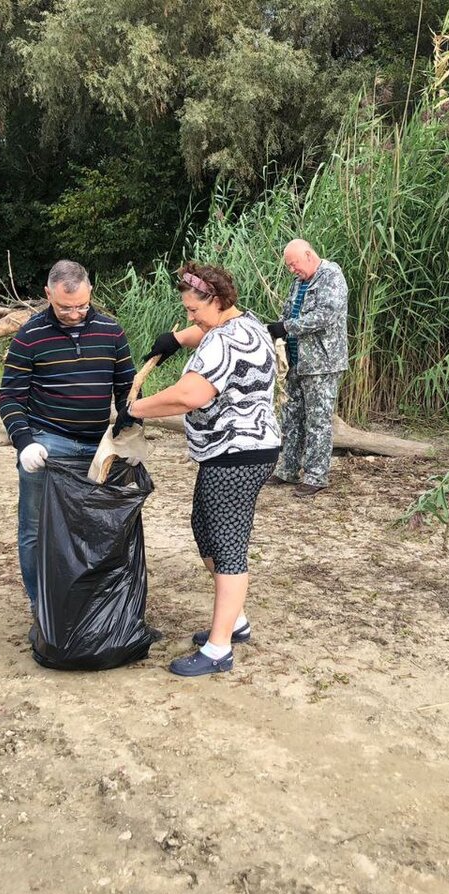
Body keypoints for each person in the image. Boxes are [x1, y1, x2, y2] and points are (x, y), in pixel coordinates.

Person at [126, 263, 280, 677]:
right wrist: (175, 339)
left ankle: (219, 649)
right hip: (231, 452)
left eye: (193, 309)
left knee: (227, 545)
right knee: (205, 528)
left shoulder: (224, 342)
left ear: (214, 300)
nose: (190, 316)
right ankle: (237, 621)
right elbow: (205, 331)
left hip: (239, 453)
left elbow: (190, 395)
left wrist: (134, 410)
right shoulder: (246, 322)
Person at [0, 260, 136, 615]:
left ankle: (91, 603)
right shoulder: (29, 336)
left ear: (90, 292)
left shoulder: (111, 331)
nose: (75, 314)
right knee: (36, 529)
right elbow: (10, 395)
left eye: (82, 306)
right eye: (65, 307)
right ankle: (40, 605)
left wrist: (130, 432)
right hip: (49, 444)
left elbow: (127, 391)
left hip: (97, 448)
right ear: (48, 295)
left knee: (96, 527)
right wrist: (24, 441)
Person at [263, 239, 348, 497]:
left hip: (322, 364)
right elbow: (288, 312)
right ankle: (287, 468)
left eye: (294, 264)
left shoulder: (331, 276)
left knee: (317, 420)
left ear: (308, 255)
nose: (292, 269)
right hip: (296, 361)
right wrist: (276, 329)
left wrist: (287, 327)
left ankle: (316, 475)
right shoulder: (299, 282)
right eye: (289, 266)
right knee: (291, 417)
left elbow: (325, 316)